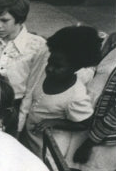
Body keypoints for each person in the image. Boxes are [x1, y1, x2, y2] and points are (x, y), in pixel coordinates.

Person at [19, 26, 102, 157]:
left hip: (49, 147)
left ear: (76, 67)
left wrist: (55, 122)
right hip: (30, 137)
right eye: (49, 63)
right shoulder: (45, 75)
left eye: (58, 66)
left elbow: (85, 123)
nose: (50, 69)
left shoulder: (76, 96)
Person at [0, 0, 47, 134]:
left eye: (4, 20)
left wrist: (20, 123)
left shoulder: (37, 46)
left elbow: (32, 88)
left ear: (19, 19)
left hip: (14, 107)